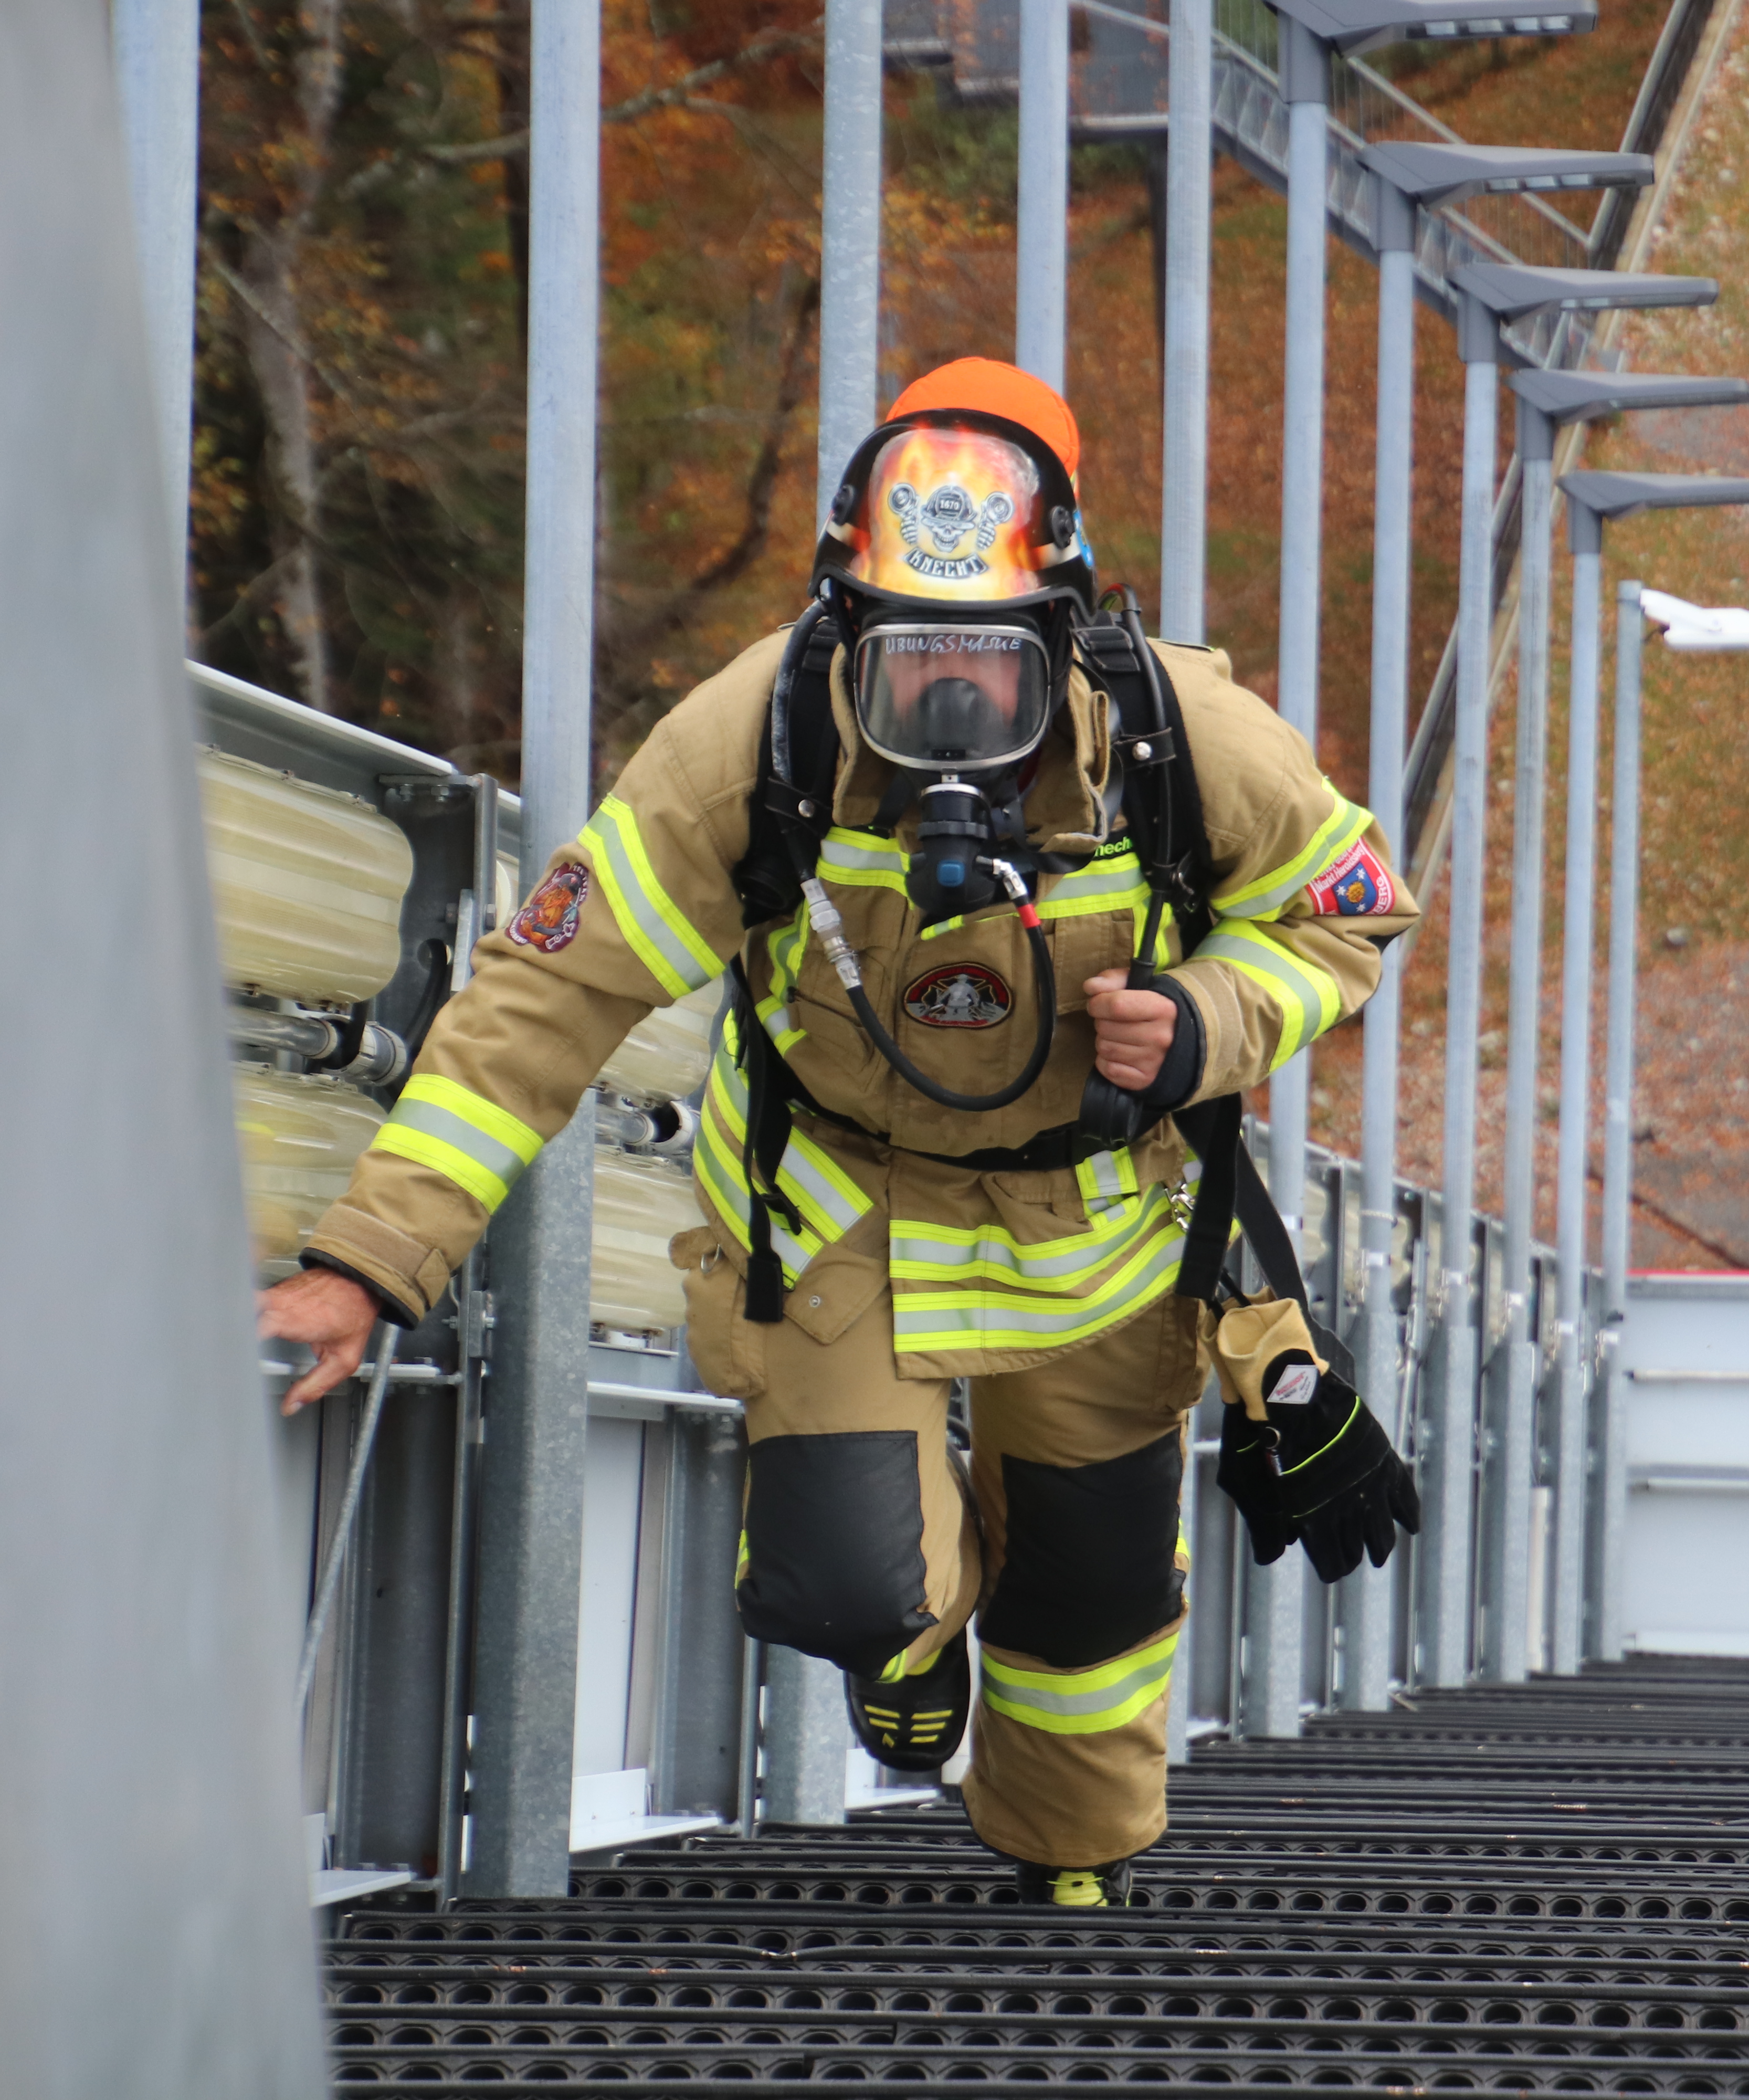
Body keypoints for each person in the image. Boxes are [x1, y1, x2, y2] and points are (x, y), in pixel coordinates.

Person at [257, 358, 1418, 1906]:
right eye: (909, 660)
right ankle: (901, 1644)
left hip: (1100, 1231)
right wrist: (369, 1259)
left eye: (990, 665)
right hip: (833, 1211)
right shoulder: (756, 738)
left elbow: (1349, 913)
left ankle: (1068, 1872)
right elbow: (546, 994)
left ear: (1063, 620)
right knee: (849, 1572)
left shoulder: (1175, 735)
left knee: (1089, 1611)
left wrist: (1208, 1016)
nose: (948, 705)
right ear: (844, 623)